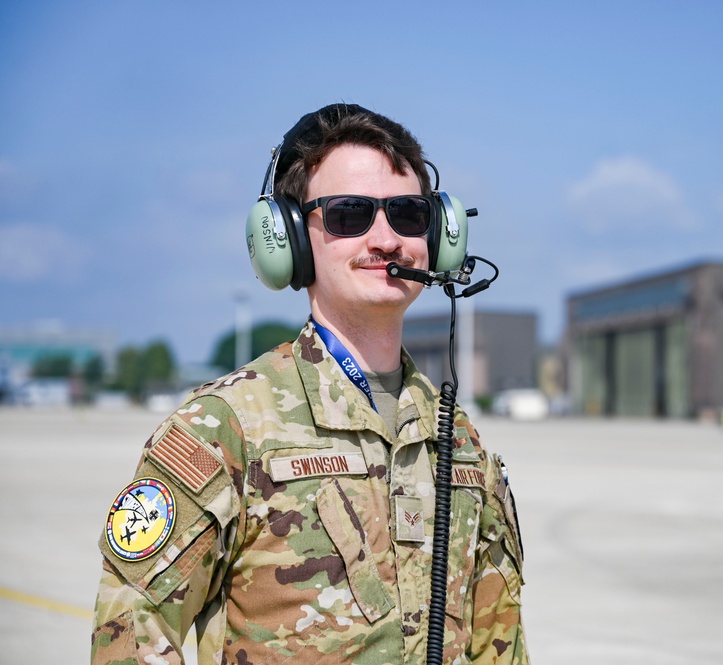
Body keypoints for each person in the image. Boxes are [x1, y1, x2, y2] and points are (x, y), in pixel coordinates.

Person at [91, 103, 528, 664]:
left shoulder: (458, 439)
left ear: (438, 234)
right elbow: (129, 628)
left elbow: (503, 644)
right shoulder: (226, 427)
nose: (387, 238)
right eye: (350, 215)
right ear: (290, 238)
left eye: (408, 214)